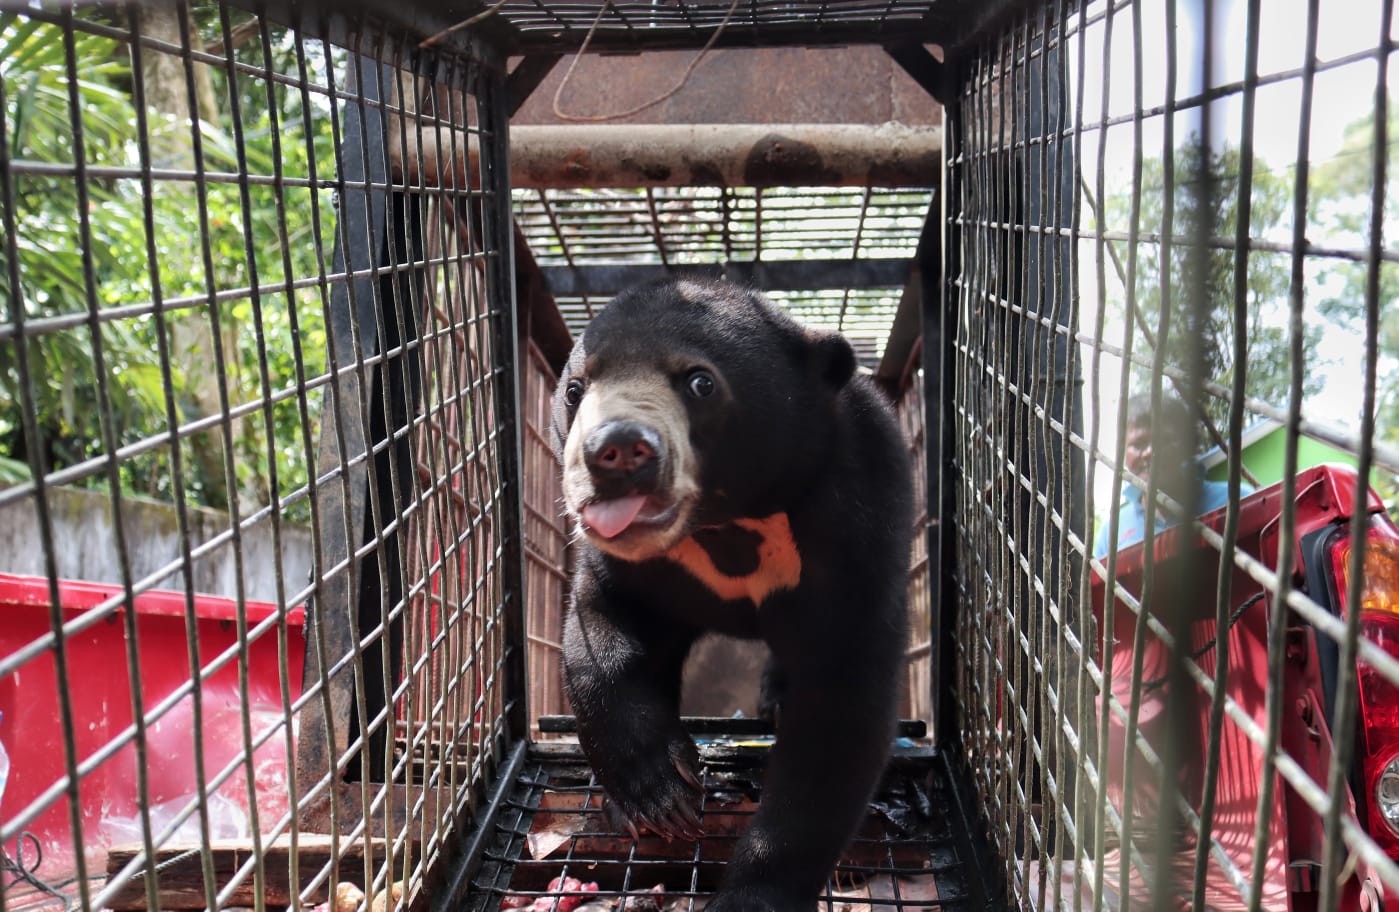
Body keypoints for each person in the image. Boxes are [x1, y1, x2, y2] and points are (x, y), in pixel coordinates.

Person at [1093, 393, 1255, 557]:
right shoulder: (1111, 533)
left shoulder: (1238, 500)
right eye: (1138, 444)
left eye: (1163, 440)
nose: (1150, 452)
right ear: (1123, 453)